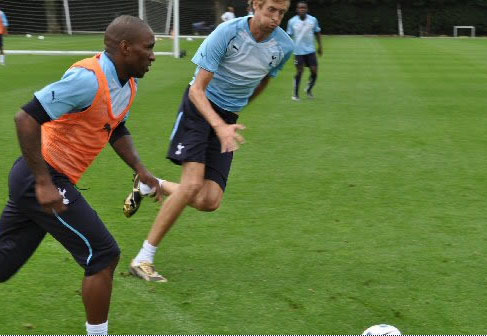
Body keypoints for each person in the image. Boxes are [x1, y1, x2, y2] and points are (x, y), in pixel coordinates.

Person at [0, 15, 161, 335]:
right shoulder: (86, 79)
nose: (154, 55)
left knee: (3, 263)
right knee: (104, 254)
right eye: (149, 48)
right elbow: (25, 118)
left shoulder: (130, 82)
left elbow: (114, 127)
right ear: (126, 48)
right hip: (42, 178)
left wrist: (141, 170)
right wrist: (44, 182)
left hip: (42, 179)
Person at [123, 0, 294, 282]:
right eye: (270, 10)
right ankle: (143, 258)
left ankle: (151, 184)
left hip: (227, 117)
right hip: (199, 109)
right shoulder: (226, 33)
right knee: (191, 185)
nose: (275, 18)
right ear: (255, 5)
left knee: (209, 200)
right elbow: (197, 90)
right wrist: (219, 126)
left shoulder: (283, 47)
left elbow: (264, 79)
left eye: (281, 13)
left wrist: (234, 113)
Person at [286, 1, 322, 100]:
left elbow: (317, 32)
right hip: (298, 52)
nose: (302, 9)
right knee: (300, 71)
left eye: (304, 8)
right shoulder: (292, 21)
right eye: (300, 8)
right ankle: (295, 94)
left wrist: (320, 46)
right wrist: (287, 49)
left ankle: (309, 89)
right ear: (297, 10)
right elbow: (288, 36)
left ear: (307, 9)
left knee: (314, 72)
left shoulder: (313, 20)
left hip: (311, 51)